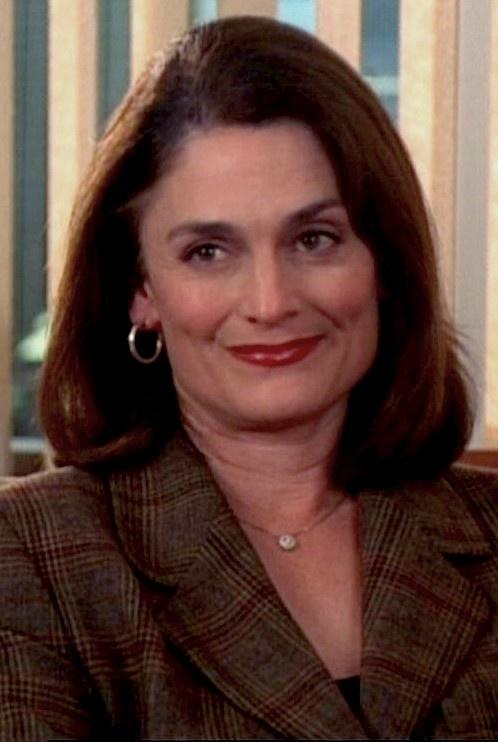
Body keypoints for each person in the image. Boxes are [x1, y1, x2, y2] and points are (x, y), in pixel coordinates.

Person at [1, 14, 497, 741]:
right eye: (209, 251)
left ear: (382, 263)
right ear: (142, 289)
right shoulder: (29, 554)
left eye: (314, 239)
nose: (270, 302)